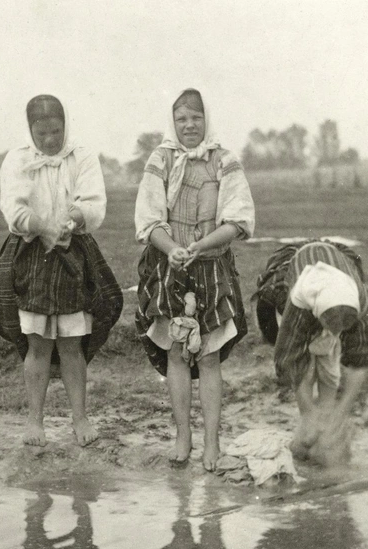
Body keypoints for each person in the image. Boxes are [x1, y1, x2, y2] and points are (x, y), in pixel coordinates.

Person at [0, 94, 122, 448]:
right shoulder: (17, 159)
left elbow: (93, 201)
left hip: (73, 250)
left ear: (65, 126)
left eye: (56, 131)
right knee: (38, 343)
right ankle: (35, 420)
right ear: (30, 130)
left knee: (72, 342)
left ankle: (80, 418)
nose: (49, 140)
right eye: (41, 133)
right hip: (31, 253)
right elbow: (13, 206)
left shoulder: (81, 157)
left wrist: (70, 219)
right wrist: (41, 225)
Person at [134, 88, 255, 470]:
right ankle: (183, 435)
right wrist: (172, 248)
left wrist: (203, 245)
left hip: (211, 266)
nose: (189, 125)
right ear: (173, 123)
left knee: (210, 356)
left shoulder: (224, 160)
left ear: (207, 120)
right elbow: (149, 219)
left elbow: (238, 220)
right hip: (170, 267)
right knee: (176, 352)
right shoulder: (161, 158)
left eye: (196, 118)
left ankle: (212, 442)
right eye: (182, 119)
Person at [253, 240, 368, 465]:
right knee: (306, 367)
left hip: (334, 292)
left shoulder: (360, 303)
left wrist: (341, 412)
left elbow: (360, 360)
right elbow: (289, 357)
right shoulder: (299, 299)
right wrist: (308, 412)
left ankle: (327, 427)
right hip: (300, 285)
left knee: (329, 362)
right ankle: (308, 432)